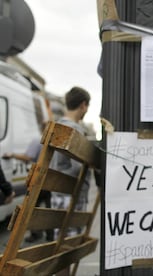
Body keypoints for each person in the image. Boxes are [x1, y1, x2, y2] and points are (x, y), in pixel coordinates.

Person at [51, 86, 91, 276]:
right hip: (72, 197)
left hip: (57, 197)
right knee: (68, 249)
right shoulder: (75, 131)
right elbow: (77, 167)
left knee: (61, 246)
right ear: (83, 105)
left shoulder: (56, 125)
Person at [3, 122, 54, 242]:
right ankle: (50, 235)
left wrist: (12, 155)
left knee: (32, 208)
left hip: (41, 181)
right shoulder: (54, 142)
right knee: (50, 208)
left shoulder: (37, 140)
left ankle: (36, 233)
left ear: (42, 129)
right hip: (53, 180)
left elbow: (28, 157)